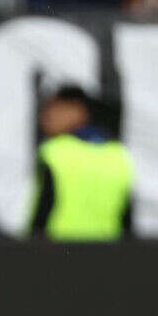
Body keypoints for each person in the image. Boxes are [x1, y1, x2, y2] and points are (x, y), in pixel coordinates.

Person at [29, 86, 133, 240]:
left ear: (78, 111)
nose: (46, 117)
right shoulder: (119, 155)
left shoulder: (54, 152)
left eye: (55, 109)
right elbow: (127, 222)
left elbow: (40, 216)